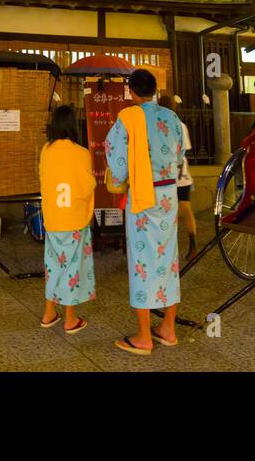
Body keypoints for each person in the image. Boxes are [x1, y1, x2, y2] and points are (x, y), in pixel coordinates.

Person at [105, 69, 183, 355]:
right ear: (154, 89)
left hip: (142, 195)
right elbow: (178, 155)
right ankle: (168, 329)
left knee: (142, 261)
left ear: (131, 92)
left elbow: (116, 158)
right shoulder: (171, 117)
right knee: (168, 258)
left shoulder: (128, 118)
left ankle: (143, 336)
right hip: (168, 195)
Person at [38, 105, 96, 334]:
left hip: (53, 217)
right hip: (74, 219)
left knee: (52, 265)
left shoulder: (46, 150)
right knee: (72, 267)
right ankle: (70, 319)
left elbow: (44, 178)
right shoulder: (82, 153)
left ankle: (49, 311)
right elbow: (86, 186)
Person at [158, 93, 197, 259]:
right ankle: (192, 244)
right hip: (181, 173)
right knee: (185, 208)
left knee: (166, 211)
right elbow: (185, 148)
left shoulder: (158, 125)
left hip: (166, 173)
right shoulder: (180, 125)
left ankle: (166, 247)